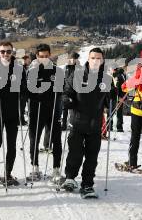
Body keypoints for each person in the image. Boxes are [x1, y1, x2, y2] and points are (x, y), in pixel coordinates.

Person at [61, 47, 113, 198]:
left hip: (95, 124)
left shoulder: (106, 78)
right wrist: (67, 100)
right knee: (75, 153)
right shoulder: (77, 75)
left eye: (99, 58)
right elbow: (67, 92)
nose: (96, 61)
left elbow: (110, 100)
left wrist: (113, 95)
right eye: (93, 58)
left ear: (102, 61)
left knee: (92, 157)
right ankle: (70, 178)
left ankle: (87, 184)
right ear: (88, 59)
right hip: (77, 122)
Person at [0, 41, 27, 185]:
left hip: (12, 112)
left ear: (12, 52)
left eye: (8, 51)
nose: (5, 54)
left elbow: (24, 87)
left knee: (11, 145)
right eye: (2, 51)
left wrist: (22, 95)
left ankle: (8, 174)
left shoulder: (19, 69)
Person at [27, 44, 63, 182]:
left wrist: (59, 91)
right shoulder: (32, 71)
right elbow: (27, 91)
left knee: (56, 140)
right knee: (34, 139)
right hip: (37, 110)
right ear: (37, 56)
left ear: (50, 55)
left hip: (53, 109)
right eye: (41, 57)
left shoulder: (57, 71)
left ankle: (56, 169)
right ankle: (35, 167)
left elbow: (63, 89)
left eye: (46, 56)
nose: (44, 59)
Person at [112, 67, 126, 132]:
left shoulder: (119, 76)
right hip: (118, 97)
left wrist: (121, 96)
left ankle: (118, 126)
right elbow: (118, 87)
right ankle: (118, 126)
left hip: (119, 97)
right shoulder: (120, 76)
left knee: (117, 112)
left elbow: (120, 87)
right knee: (116, 112)